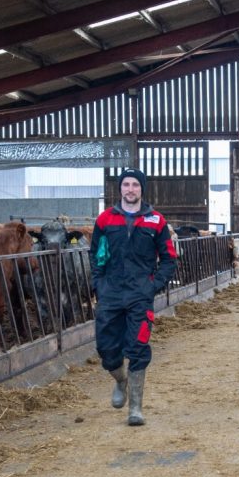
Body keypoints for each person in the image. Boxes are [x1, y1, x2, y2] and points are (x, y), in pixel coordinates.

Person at [90, 168, 177, 426]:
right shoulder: (105, 220)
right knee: (106, 348)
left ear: (142, 189)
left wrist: (154, 285)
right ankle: (120, 380)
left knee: (138, 347)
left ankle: (136, 408)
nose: (130, 189)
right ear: (120, 189)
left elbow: (169, 258)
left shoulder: (156, 221)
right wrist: (99, 284)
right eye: (126, 185)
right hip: (111, 293)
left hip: (140, 294)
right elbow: (96, 255)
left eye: (135, 185)